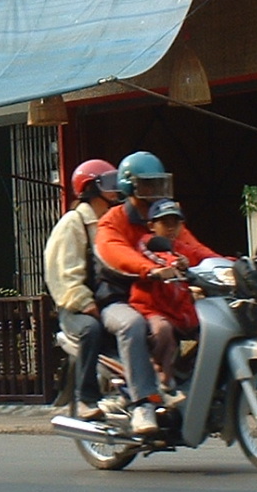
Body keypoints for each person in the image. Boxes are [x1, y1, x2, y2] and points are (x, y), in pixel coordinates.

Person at [95, 151, 219, 435]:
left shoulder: (163, 218)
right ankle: (142, 404)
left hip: (160, 295)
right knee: (133, 325)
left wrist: (228, 266)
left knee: (203, 323)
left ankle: (185, 384)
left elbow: (193, 249)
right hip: (119, 298)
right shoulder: (111, 222)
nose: (154, 192)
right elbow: (116, 252)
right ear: (129, 187)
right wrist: (149, 269)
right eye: (147, 186)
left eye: (158, 184)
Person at [44, 159, 120, 420]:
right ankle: (86, 398)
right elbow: (62, 274)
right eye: (108, 184)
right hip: (77, 308)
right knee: (91, 329)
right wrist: (85, 302)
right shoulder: (73, 222)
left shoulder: (113, 220)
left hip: (110, 300)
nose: (115, 190)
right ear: (91, 188)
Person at [130, 198, 217, 397]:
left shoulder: (180, 247)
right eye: (165, 222)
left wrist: (233, 265)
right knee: (163, 331)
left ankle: (185, 372)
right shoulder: (146, 243)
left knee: (210, 331)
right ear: (152, 225)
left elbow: (203, 256)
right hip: (152, 307)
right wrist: (171, 265)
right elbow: (157, 260)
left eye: (175, 222)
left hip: (179, 308)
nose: (171, 227)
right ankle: (159, 372)